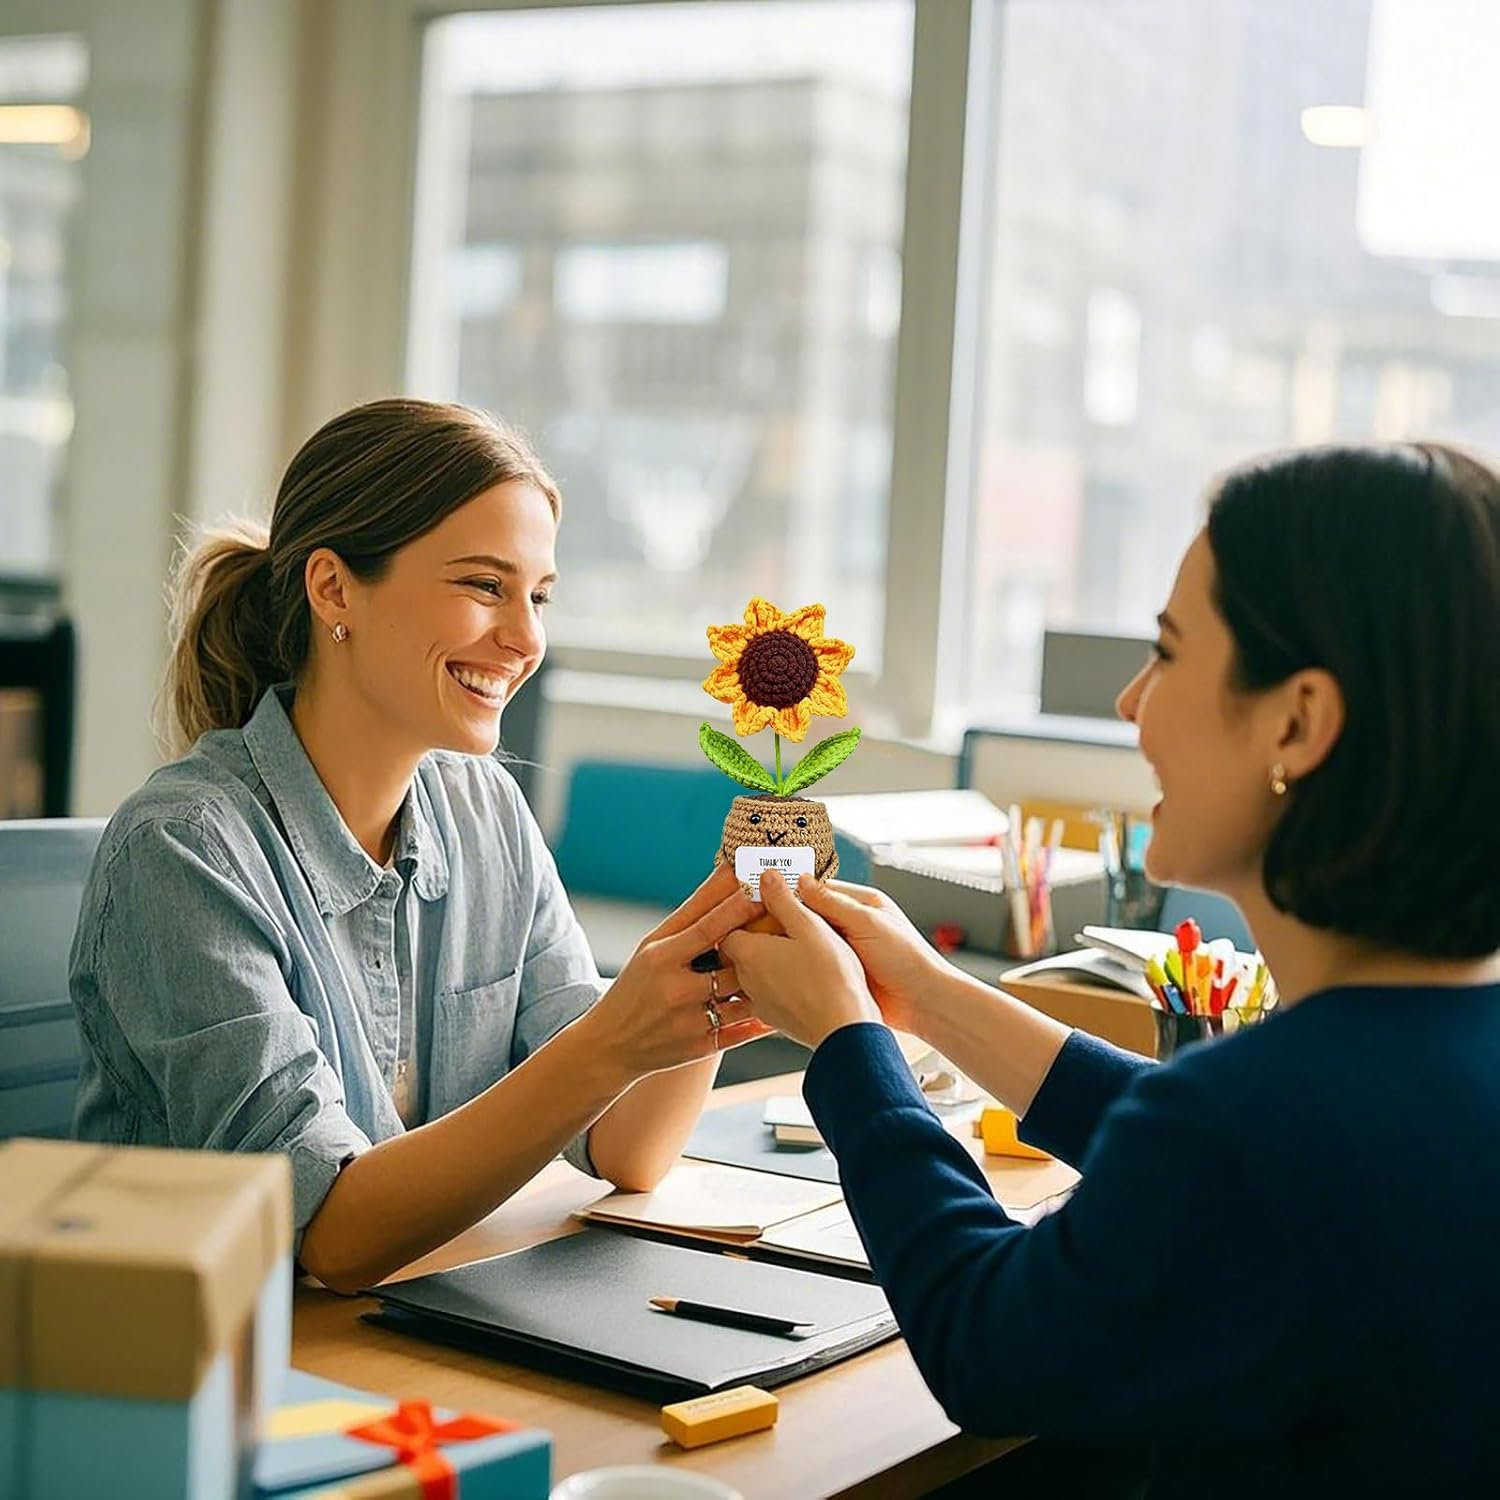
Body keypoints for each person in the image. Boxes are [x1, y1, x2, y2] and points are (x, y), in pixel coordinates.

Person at [723, 441, 1500, 1495]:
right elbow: (1209, 1156)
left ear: (1300, 720)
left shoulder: (1256, 1124)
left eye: (1170, 654)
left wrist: (852, 1046)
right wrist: (933, 997)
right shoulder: (1412, 1069)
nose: (1132, 703)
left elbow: (990, 1347)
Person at [70, 398, 767, 1293]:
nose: (525, 639)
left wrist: (714, 948)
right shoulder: (184, 852)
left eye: (539, 596)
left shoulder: (487, 815)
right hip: (207, 1375)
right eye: (485, 586)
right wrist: (609, 1042)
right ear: (334, 590)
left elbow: (628, 1148)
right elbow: (331, 1236)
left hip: (410, 1330)